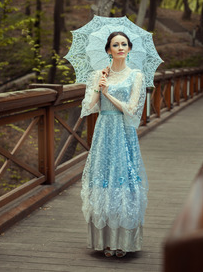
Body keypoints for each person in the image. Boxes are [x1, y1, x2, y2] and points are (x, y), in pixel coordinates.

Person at [80, 31, 148, 258]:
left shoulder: (136, 75)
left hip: (123, 131)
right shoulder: (98, 75)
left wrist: (109, 94)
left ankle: (123, 242)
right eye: (115, 45)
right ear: (108, 50)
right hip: (103, 131)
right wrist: (98, 87)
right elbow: (89, 107)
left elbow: (131, 109)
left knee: (123, 180)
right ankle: (104, 242)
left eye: (124, 44)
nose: (120, 47)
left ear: (129, 49)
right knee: (103, 179)